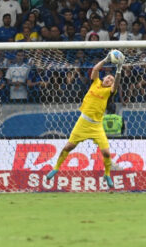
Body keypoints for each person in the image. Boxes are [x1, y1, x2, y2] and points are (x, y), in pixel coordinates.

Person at [46, 51, 123, 188]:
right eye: (108, 78)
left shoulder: (109, 91)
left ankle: (107, 175)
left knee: (106, 152)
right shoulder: (96, 83)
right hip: (83, 122)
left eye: (111, 80)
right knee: (69, 146)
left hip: (96, 126)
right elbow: (95, 69)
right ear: (103, 78)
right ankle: (56, 168)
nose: (109, 80)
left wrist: (118, 70)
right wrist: (105, 59)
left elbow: (116, 84)